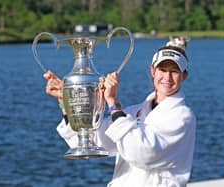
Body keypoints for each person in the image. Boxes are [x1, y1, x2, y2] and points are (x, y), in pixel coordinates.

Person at [44, 37, 196, 187]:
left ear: (184, 76)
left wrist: (113, 104)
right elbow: (96, 141)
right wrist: (67, 102)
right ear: (153, 71)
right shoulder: (134, 112)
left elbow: (144, 153)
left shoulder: (182, 116)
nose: (167, 77)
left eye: (174, 71)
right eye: (162, 70)